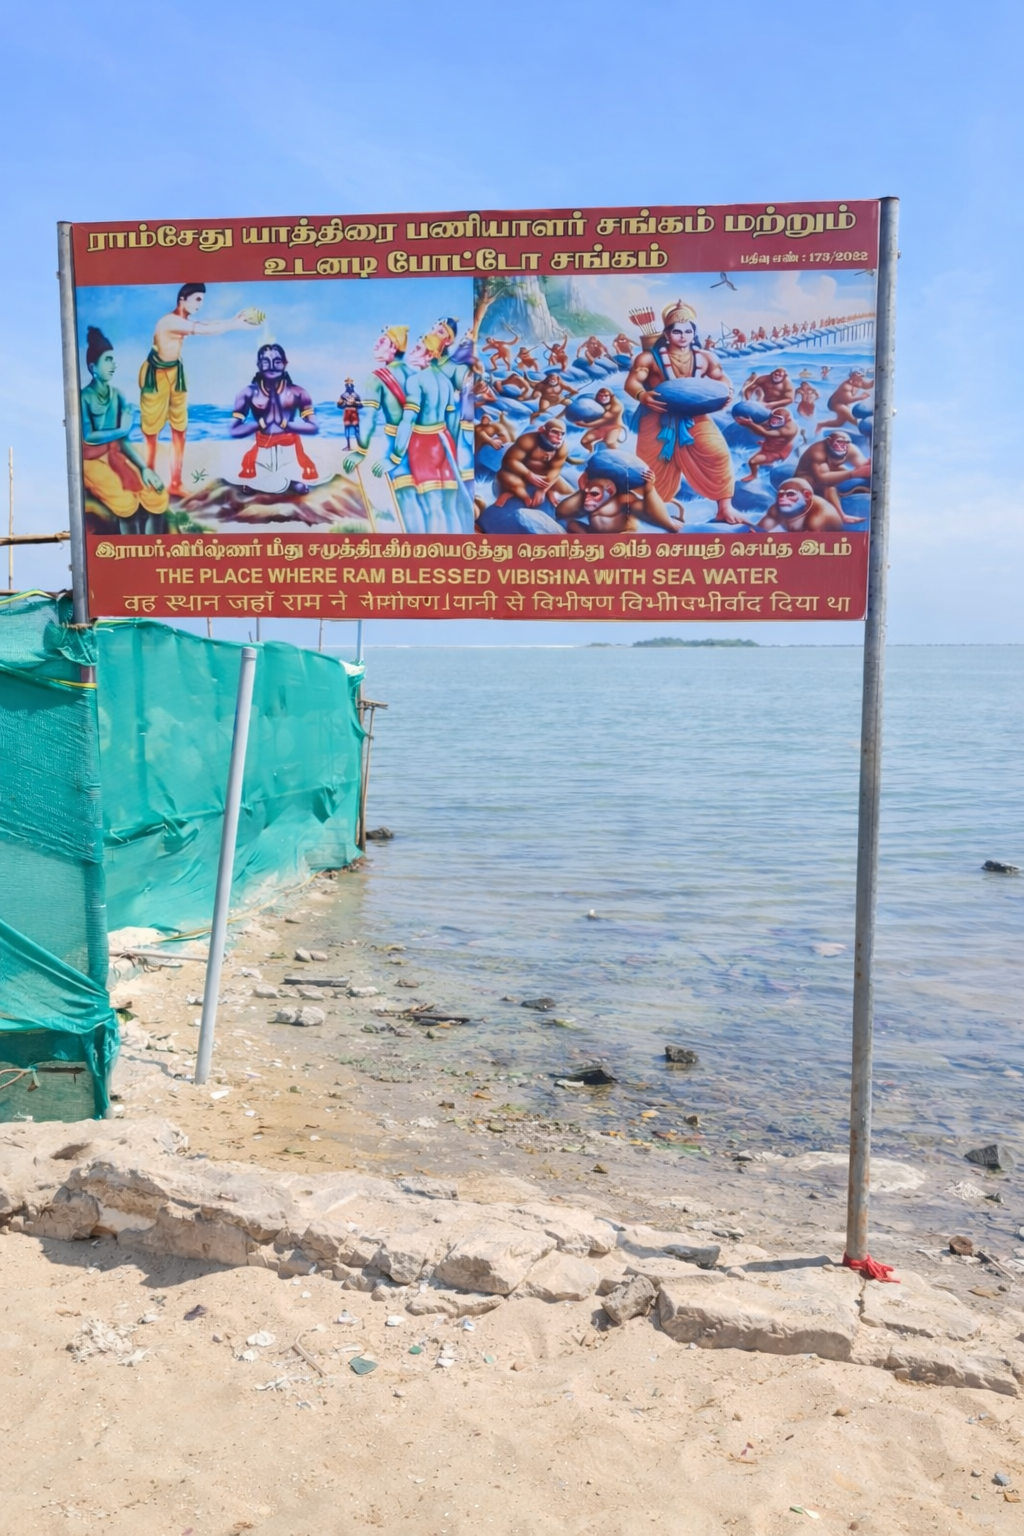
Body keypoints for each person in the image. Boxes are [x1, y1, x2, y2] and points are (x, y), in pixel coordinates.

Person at [624, 300, 741, 523]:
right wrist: (643, 395)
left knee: (718, 453)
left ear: (694, 333)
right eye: (677, 331)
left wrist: (727, 391)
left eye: (688, 331)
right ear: (667, 334)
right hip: (657, 416)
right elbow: (632, 382)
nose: (683, 336)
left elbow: (720, 378)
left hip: (694, 416)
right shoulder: (648, 358)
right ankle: (649, 509)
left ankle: (725, 509)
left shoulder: (706, 358)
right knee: (650, 468)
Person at [139, 282, 260, 495]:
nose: (200, 304)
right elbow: (203, 330)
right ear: (182, 299)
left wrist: (232, 320)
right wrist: (235, 326)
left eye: (202, 300)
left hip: (176, 375)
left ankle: (175, 484)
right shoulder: (169, 321)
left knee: (180, 429)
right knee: (151, 431)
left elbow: (205, 323)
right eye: (197, 299)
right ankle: (148, 481)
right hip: (155, 376)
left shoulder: (182, 320)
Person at [80, 327, 169, 533]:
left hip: (115, 454)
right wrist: (122, 429)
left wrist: (143, 468)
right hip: (90, 460)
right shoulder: (84, 397)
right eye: (108, 360)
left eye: (113, 359)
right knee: (126, 503)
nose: (114, 364)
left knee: (156, 495)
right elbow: (88, 436)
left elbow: (123, 441)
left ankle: (155, 553)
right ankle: (130, 559)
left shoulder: (117, 395)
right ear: (93, 366)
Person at [341, 326, 421, 530]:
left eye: (383, 341)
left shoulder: (377, 378)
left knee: (407, 500)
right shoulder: (418, 374)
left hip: (397, 444)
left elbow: (368, 418)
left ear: (395, 347)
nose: (377, 343)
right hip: (427, 443)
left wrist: (361, 451)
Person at [392, 335, 472, 533]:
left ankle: (432, 555)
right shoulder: (445, 381)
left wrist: (396, 454)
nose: (411, 351)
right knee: (449, 507)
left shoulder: (415, 380)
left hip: (423, 444)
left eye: (418, 348)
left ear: (431, 354)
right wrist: (450, 446)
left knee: (433, 507)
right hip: (445, 440)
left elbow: (408, 420)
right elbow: (453, 420)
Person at [228, 342, 322, 494]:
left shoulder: (298, 392)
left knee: (298, 481)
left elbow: (313, 426)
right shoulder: (247, 393)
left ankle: (293, 477)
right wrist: (260, 423)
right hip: (261, 447)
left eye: (277, 361)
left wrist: (286, 425)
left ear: (285, 364)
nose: (271, 366)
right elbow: (233, 430)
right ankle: (256, 479)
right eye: (266, 362)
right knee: (252, 481)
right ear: (258, 364)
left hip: (290, 448)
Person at [556, 464, 683, 536]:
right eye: (587, 494)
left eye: (594, 494)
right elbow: (562, 511)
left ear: (610, 491)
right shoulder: (589, 495)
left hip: (620, 537)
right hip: (594, 534)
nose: (588, 499)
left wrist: (650, 490)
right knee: (572, 524)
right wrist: (583, 489)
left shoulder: (623, 500)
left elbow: (649, 512)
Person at [494, 418, 572, 511]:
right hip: (517, 473)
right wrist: (528, 474)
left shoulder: (562, 447)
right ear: (542, 430)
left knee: (568, 493)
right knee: (515, 484)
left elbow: (556, 470)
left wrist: (543, 490)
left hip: (542, 477)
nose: (559, 437)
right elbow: (511, 461)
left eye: (562, 433)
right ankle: (517, 496)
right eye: (555, 432)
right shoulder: (527, 440)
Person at [794, 431, 871, 521]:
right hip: (808, 478)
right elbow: (822, 478)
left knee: (844, 471)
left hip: (827, 473)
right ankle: (842, 516)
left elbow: (863, 466)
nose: (842, 446)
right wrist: (853, 473)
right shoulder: (818, 452)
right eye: (839, 442)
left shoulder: (851, 449)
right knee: (829, 487)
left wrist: (868, 465)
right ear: (829, 441)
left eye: (845, 444)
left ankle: (842, 494)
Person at [756, 476, 848, 532]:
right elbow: (758, 532)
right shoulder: (776, 509)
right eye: (781, 495)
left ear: (806, 495)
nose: (783, 499)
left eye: (790, 494)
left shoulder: (819, 516)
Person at [740, 408, 799, 481]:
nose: (774, 420)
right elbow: (761, 429)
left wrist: (750, 424)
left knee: (752, 462)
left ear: (787, 419)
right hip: (770, 447)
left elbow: (766, 433)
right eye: (774, 417)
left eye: (778, 418)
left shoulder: (789, 429)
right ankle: (767, 465)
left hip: (776, 452)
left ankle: (753, 475)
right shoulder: (774, 422)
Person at [336, 377, 362, 449]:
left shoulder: (356, 395)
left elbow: (361, 405)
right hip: (347, 412)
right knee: (347, 428)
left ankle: (359, 445)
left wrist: (355, 403)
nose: (349, 387)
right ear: (346, 386)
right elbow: (339, 406)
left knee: (356, 428)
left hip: (354, 412)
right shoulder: (343, 396)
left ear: (353, 386)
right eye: (348, 385)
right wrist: (340, 403)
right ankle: (348, 446)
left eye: (351, 385)